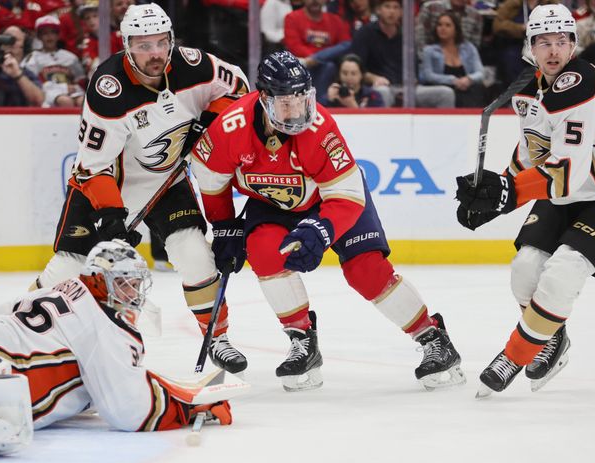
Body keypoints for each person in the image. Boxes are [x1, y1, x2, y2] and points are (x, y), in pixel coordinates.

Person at [190, 51, 466, 392]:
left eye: (303, 99)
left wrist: (321, 230)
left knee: (364, 269)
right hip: (272, 203)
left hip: (332, 200)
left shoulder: (320, 129)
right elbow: (211, 180)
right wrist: (224, 226)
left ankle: (432, 337)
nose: (298, 111)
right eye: (286, 103)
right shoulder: (231, 128)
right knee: (263, 251)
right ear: (263, 100)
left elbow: (347, 196)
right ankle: (302, 339)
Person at [455, 4, 595, 396]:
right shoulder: (533, 86)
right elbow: (534, 153)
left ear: (574, 44)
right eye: (544, 42)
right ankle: (551, 338)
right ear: (530, 47)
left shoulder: (580, 86)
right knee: (524, 269)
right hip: (572, 189)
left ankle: (515, 354)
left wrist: (507, 195)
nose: (554, 50)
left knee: (563, 272)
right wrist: (495, 191)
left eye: (562, 41)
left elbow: (567, 174)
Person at [34, 4, 251, 373]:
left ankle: (217, 337)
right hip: (107, 185)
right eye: (143, 45)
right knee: (67, 268)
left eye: (160, 43)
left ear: (170, 40)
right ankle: (25, 333)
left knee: (194, 252)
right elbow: (93, 166)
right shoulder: (109, 87)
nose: (154, 53)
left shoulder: (194, 65)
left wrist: (209, 121)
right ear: (126, 45)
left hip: (167, 181)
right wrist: (111, 217)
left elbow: (240, 89)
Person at [0, 240, 243, 457]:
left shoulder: (64, 289)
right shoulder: (105, 321)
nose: (132, 293)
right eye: (123, 283)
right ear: (99, 280)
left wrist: (180, 390)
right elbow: (129, 410)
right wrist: (189, 408)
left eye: (135, 284)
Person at [350, 0, 454, 107]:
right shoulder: (365, 33)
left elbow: (414, 68)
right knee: (382, 92)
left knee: (446, 93)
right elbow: (357, 68)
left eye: (396, 8)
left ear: (401, 12)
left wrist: (413, 81)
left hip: (407, 88)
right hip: (380, 86)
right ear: (378, 10)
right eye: (387, 7)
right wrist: (374, 78)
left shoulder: (406, 35)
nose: (392, 12)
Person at [283, 0, 352, 104]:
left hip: (325, 63)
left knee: (335, 59)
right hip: (301, 66)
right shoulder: (292, 17)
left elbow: (346, 45)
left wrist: (317, 58)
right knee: (327, 66)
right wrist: (312, 58)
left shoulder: (335, 20)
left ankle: (321, 104)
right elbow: (294, 46)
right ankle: (319, 104)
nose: (315, 1)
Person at [419, 10, 485, 108]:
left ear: (456, 29)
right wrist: (452, 80)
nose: (442, 28)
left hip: (466, 87)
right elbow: (428, 75)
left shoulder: (468, 48)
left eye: (447, 25)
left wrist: (468, 79)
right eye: (439, 25)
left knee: (478, 89)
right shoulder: (429, 51)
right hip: (443, 88)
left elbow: (480, 73)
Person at [21, 15, 86, 108]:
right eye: (45, 33)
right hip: (48, 93)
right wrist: (63, 88)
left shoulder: (70, 57)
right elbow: (32, 84)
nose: (49, 36)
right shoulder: (32, 58)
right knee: (65, 101)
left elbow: (80, 80)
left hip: (72, 92)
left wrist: (74, 87)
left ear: (58, 35)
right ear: (39, 36)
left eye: (53, 32)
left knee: (82, 101)